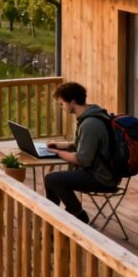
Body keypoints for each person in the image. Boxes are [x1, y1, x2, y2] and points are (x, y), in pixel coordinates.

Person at [43, 81, 118, 224]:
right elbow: (83, 146)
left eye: (62, 103)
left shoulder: (90, 124)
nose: (61, 107)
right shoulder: (91, 116)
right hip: (99, 171)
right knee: (52, 179)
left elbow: (83, 159)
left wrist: (57, 152)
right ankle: (51, 219)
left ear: (72, 102)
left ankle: (78, 215)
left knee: (52, 179)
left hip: (102, 178)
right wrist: (60, 145)